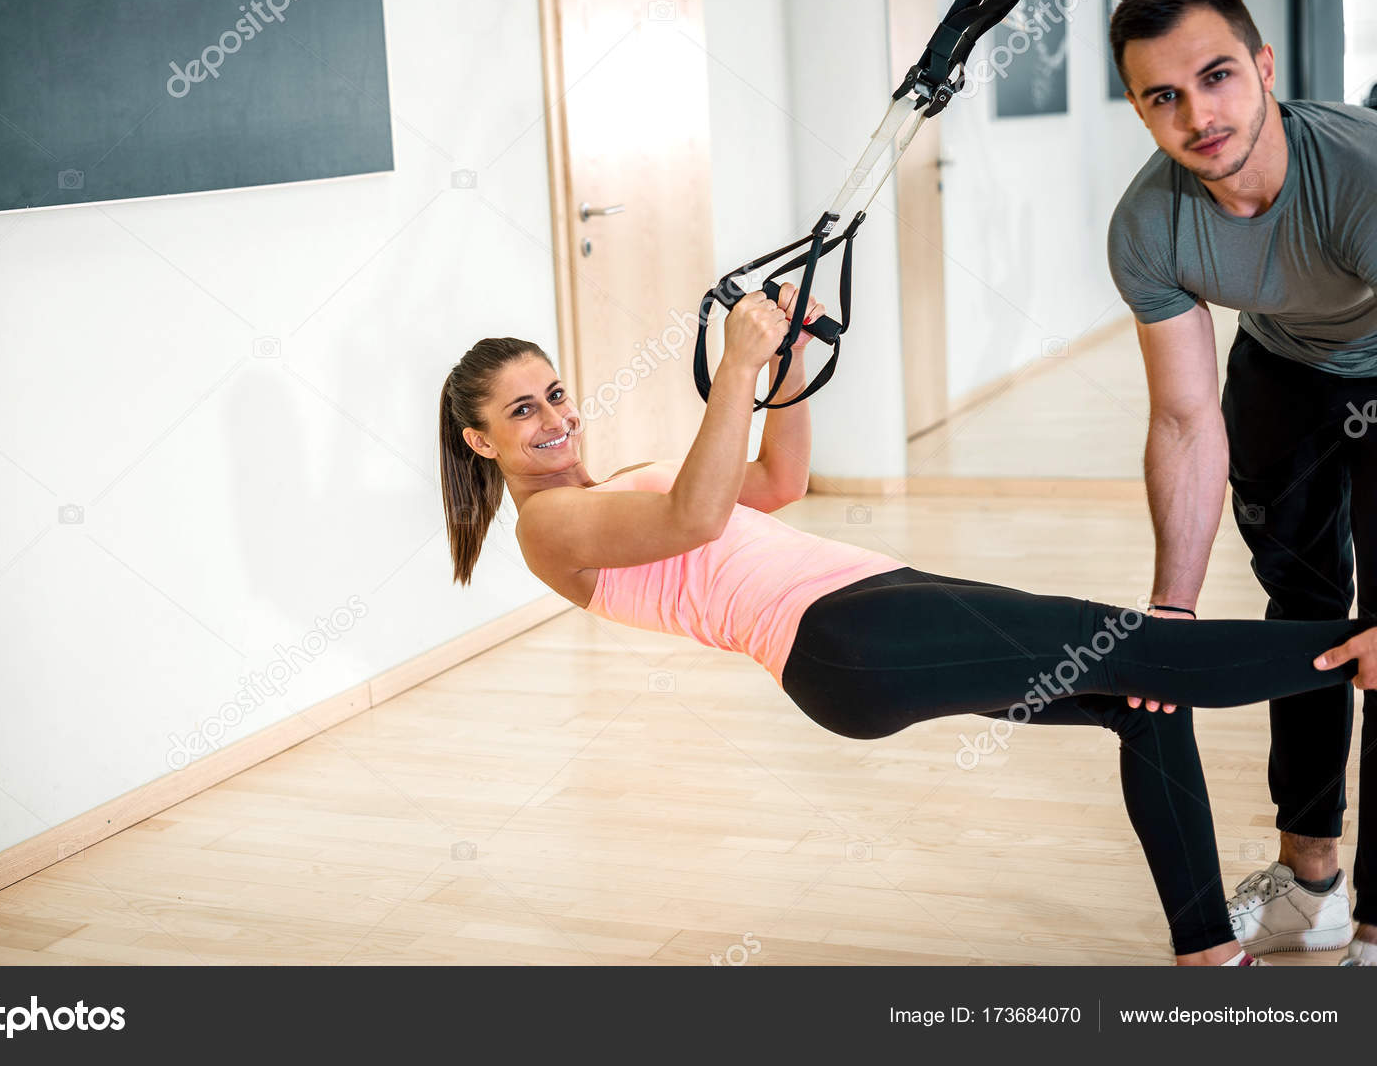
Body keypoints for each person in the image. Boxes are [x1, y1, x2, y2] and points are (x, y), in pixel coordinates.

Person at [438, 284, 1377, 966]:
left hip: (873, 611)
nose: (554, 417)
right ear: (483, 443)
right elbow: (694, 517)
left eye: (556, 393)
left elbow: (772, 487)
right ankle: (1358, 650)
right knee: (1139, 649)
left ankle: (1208, 959)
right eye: (523, 411)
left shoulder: (605, 491)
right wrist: (733, 365)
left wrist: (786, 366)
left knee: (1139, 697)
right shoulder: (550, 527)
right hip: (845, 634)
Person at [1106, 0, 1377, 964]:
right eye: (1162, 96)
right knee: (1305, 621)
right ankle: (1312, 880)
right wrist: (1170, 608)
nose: (1197, 114)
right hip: (1283, 373)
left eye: (1216, 76)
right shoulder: (1148, 226)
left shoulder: (1357, 173)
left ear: (1264, 68)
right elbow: (1183, 415)